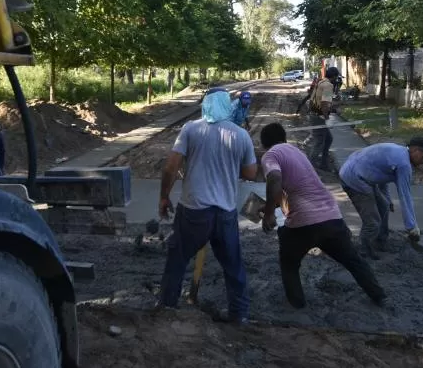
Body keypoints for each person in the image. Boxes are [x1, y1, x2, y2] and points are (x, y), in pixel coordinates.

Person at [158, 87, 258, 323]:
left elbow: (170, 167)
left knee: (178, 259)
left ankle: (166, 307)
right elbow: (251, 173)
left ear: (205, 104)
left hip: (193, 211)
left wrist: (164, 196)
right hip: (225, 213)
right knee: (233, 265)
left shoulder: (191, 129)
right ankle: (239, 315)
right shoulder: (240, 135)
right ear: (227, 105)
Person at [259, 123, 386, 307]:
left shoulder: (271, 155)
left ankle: (297, 305)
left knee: (289, 264)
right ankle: (379, 295)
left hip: (303, 225)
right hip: (331, 218)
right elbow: (296, 190)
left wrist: (269, 214)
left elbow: (274, 179)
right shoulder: (296, 153)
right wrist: (268, 205)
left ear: (264, 144)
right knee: (353, 260)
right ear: (284, 138)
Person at [338, 137, 423, 259]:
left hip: (360, 172)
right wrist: (412, 227)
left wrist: (387, 199)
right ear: (415, 150)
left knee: (384, 206)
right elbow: (405, 196)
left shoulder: (399, 153)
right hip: (353, 179)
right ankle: (363, 251)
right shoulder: (403, 164)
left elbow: (381, 175)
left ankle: (380, 242)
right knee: (373, 222)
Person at [305, 66, 341, 171]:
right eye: (336, 77)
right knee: (319, 142)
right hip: (318, 117)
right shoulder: (328, 85)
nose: (336, 79)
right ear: (333, 76)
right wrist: (327, 118)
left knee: (328, 139)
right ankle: (309, 167)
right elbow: (325, 104)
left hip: (314, 114)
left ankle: (323, 164)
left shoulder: (320, 82)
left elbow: (315, 100)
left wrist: (333, 107)